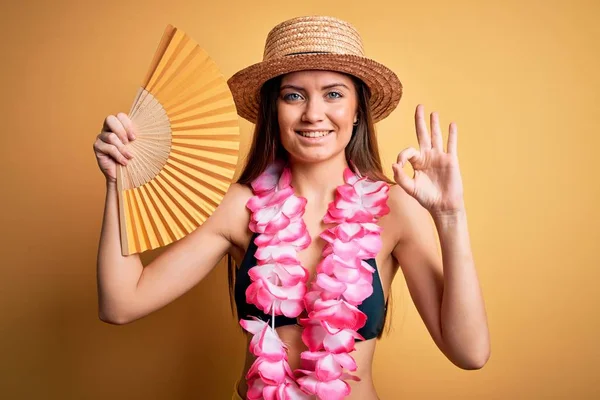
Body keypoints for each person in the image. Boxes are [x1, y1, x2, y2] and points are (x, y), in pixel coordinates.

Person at [93, 15, 490, 400]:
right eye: (293, 95)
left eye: (333, 94)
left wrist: (451, 216)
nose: (313, 113)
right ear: (274, 110)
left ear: (357, 112)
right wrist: (118, 181)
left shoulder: (394, 208)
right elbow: (122, 302)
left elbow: (469, 353)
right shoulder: (239, 207)